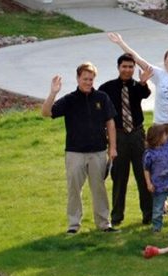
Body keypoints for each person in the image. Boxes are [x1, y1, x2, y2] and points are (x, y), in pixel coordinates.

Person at [107, 32, 168, 199]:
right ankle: (161, 202)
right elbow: (137, 59)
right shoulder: (159, 74)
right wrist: (121, 43)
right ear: (165, 59)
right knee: (158, 165)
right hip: (160, 126)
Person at [42, 63, 117, 234]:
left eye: (91, 79)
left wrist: (112, 148)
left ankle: (104, 224)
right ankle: (73, 225)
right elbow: (46, 113)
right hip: (75, 153)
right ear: (78, 79)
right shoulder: (69, 99)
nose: (88, 82)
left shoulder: (102, 98)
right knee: (74, 188)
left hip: (98, 152)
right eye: (85, 79)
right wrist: (53, 93)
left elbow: (110, 123)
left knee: (99, 188)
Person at [98, 53, 153, 228]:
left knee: (143, 175)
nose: (127, 70)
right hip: (119, 136)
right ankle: (116, 216)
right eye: (124, 66)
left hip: (137, 135)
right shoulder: (107, 88)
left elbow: (145, 93)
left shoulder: (138, 86)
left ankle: (149, 214)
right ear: (118, 67)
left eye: (131, 67)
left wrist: (143, 82)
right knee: (119, 177)